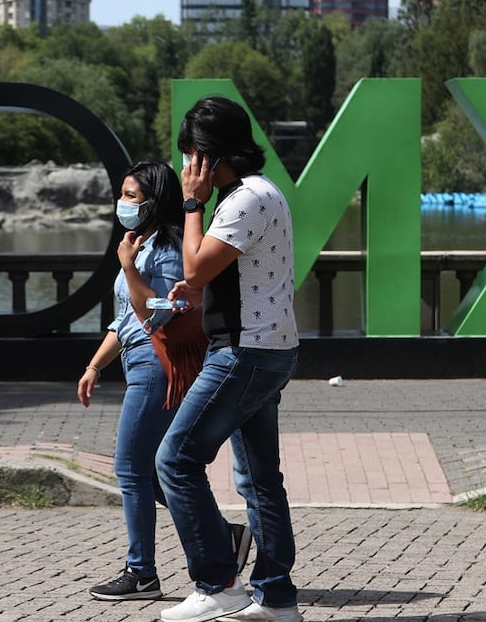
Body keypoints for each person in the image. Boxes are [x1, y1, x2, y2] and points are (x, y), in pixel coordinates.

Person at [77, 160, 251, 603]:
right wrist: (94, 366)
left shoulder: (169, 248)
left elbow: (157, 314)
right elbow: (123, 321)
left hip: (158, 364)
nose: (122, 203)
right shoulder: (140, 244)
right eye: (122, 194)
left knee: (130, 469)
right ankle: (223, 536)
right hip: (136, 360)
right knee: (155, 470)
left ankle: (142, 573)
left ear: (154, 201)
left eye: (130, 196)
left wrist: (128, 268)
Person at [156, 96, 302, 622]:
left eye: (190, 154)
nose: (185, 166)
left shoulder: (243, 200)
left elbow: (195, 267)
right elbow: (231, 273)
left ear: (209, 155)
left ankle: (218, 581)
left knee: (175, 460)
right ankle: (277, 598)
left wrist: (192, 205)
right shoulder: (263, 192)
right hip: (270, 349)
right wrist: (200, 296)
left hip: (244, 353)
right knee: (260, 479)